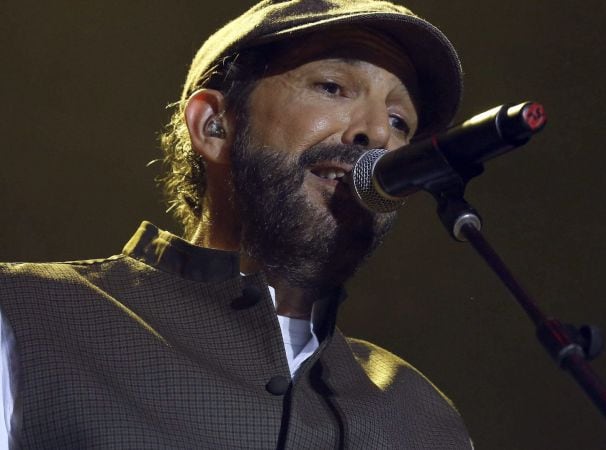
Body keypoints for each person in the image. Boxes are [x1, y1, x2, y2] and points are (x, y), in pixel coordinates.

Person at [0, 0, 472, 448]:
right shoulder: (29, 316)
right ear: (214, 125)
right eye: (332, 87)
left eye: (399, 120)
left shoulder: (424, 418)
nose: (376, 132)